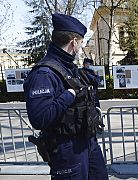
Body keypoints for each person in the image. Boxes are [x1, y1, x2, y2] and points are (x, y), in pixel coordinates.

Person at [23, 13, 108, 180]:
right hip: (66, 147)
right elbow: (40, 118)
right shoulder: (44, 74)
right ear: (74, 42)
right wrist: (69, 95)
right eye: (81, 43)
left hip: (87, 141)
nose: (81, 48)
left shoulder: (70, 68)